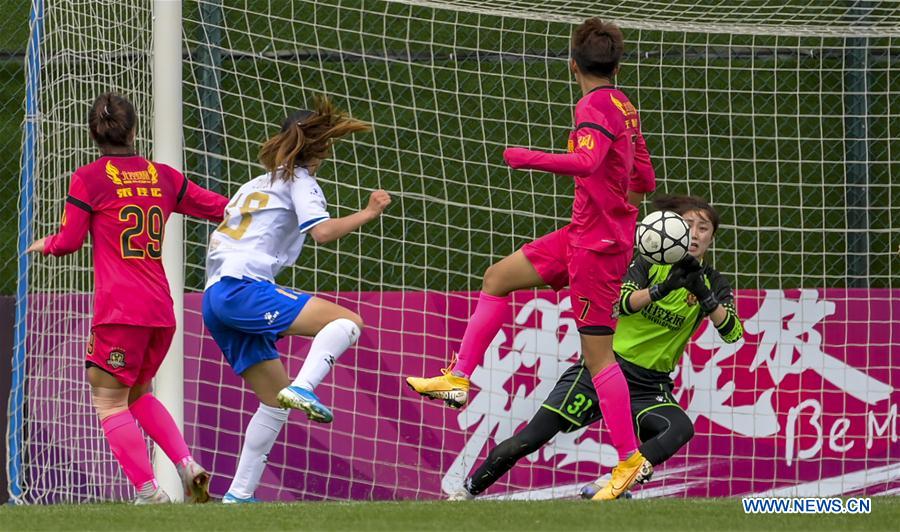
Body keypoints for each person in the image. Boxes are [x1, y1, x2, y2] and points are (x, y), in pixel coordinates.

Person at [406, 17, 656, 499]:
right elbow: (643, 178)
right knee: (498, 277)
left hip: (596, 248)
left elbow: (585, 163)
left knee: (598, 356)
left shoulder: (592, 105)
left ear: (571, 65)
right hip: (587, 234)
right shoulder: (625, 106)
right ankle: (457, 378)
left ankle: (629, 460)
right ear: (617, 63)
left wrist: (526, 157)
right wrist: (610, 184)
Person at [454, 195, 744, 500]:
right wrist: (661, 289)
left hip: (650, 385)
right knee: (529, 438)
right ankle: (468, 490)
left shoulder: (713, 281)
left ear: (712, 237)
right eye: (688, 225)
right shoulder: (646, 261)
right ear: (671, 228)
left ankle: (613, 480)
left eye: (704, 228)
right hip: (603, 368)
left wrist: (706, 297)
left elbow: (733, 333)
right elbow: (620, 305)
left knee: (679, 428)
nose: (696, 233)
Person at [27, 92, 229, 504]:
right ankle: (187, 465)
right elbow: (220, 208)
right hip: (160, 310)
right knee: (137, 394)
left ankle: (148, 491)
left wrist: (46, 244)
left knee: (108, 400)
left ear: (92, 134)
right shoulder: (164, 176)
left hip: (120, 312)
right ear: (135, 130)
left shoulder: (88, 178)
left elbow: (69, 242)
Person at [201, 95, 391, 503]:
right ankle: (304, 387)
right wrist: (368, 213)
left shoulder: (254, 184)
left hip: (214, 296)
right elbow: (321, 232)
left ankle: (238, 496)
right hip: (243, 289)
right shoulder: (299, 180)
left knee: (273, 402)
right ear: (319, 148)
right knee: (348, 322)